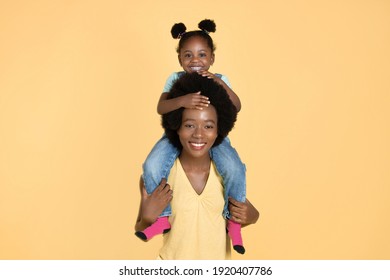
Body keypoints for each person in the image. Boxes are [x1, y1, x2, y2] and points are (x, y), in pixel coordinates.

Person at [136, 19, 248, 254]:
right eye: (188, 55)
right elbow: (161, 107)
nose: (195, 61)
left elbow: (236, 105)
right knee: (152, 163)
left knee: (235, 167)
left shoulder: (219, 78)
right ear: (179, 58)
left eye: (201, 55)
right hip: (173, 135)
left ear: (212, 58)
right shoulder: (175, 79)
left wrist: (219, 82)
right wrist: (183, 101)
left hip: (215, 139)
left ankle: (234, 224)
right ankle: (162, 219)